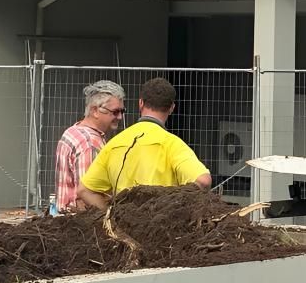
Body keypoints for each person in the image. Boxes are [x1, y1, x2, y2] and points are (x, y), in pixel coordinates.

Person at [77, 77, 210, 211]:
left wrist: (110, 214)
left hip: (122, 226)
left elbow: (84, 190)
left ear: (140, 103)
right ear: (171, 108)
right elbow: (203, 180)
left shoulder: (114, 144)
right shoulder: (172, 145)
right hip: (161, 225)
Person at [53, 80, 126, 212]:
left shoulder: (73, 131)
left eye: (122, 111)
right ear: (95, 111)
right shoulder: (90, 144)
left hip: (66, 220)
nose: (120, 117)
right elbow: (88, 195)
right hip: (81, 224)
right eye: (115, 112)